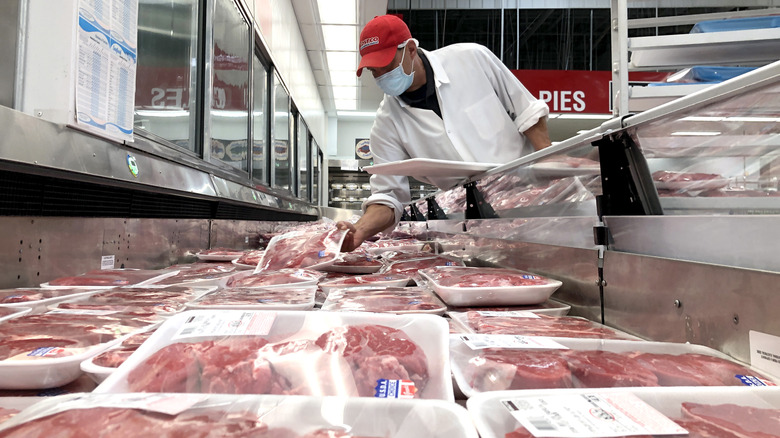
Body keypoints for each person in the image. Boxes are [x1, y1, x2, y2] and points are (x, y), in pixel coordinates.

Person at [338, 14, 552, 252]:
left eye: (386, 66)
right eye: (373, 71)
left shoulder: (471, 59)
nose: (381, 77)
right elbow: (388, 196)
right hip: (474, 222)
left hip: (532, 197)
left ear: (410, 49)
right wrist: (361, 229)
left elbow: (527, 111)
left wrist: (550, 162)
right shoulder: (386, 123)